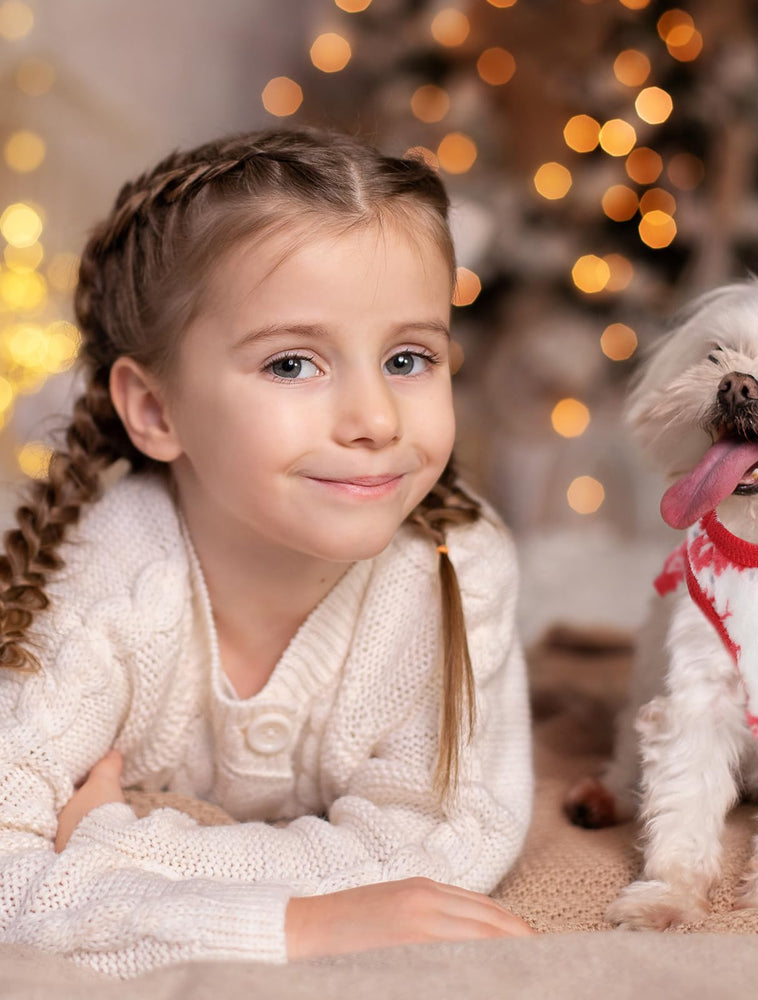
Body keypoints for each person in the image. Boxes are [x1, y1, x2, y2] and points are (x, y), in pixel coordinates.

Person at [0, 127, 534, 977]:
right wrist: (304, 927)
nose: (377, 419)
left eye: (409, 357)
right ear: (156, 410)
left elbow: (449, 839)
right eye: (292, 364)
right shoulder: (93, 588)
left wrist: (116, 844)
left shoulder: (451, 568)